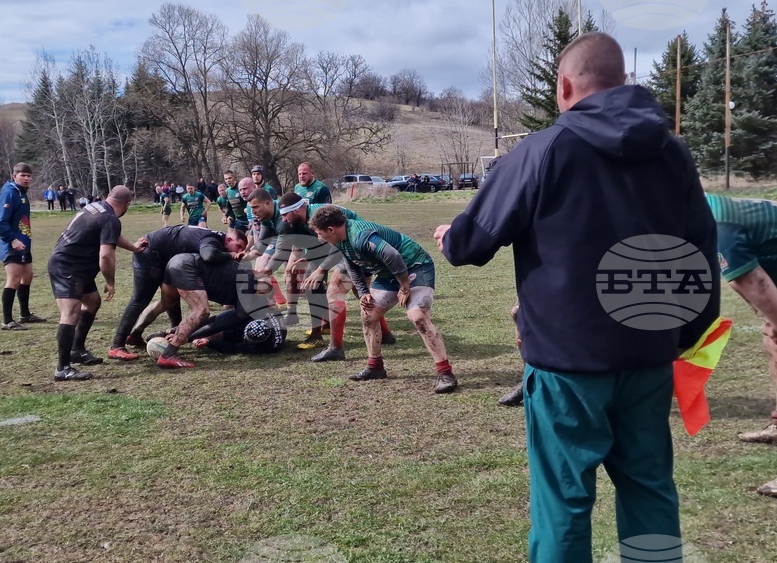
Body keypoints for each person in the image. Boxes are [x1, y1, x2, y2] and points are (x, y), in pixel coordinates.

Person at [434, 33, 719, 561]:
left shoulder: (543, 149)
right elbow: (701, 250)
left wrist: (450, 234)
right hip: (649, 356)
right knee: (650, 488)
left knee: (563, 502)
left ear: (564, 85)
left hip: (568, 365)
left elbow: (469, 246)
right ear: (624, 82)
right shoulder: (673, 154)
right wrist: (683, 338)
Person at [311, 206, 456, 394]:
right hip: (389, 274)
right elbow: (351, 264)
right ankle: (375, 367)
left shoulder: (360, 236)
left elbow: (392, 255)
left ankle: (446, 374)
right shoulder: (340, 239)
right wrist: (363, 291)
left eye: (319, 233)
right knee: (369, 313)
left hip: (415, 266)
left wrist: (404, 287)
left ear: (331, 229)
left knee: (417, 316)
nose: (318, 238)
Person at [705, 194, 777, 497]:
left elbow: (749, 279)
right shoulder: (707, 207)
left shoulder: (717, 222)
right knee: (776, 347)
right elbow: (739, 276)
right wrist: (775, 323)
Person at [248, 190, 395, 358]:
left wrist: (321, 269)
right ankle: (384, 335)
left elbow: (339, 245)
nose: (283, 220)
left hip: (354, 248)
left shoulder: (320, 217)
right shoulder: (295, 222)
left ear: (296, 210)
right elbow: (283, 250)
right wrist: (266, 270)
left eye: (285, 215)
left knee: (336, 292)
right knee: (323, 286)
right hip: (338, 248)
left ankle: (333, 346)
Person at [48, 186, 145, 381]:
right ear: (127, 204)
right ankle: (63, 368)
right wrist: (110, 282)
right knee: (70, 313)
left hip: (76, 266)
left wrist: (133, 248)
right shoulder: (110, 218)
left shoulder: (96, 207)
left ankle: (77, 349)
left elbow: (111, 236)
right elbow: (106, 256)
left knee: (92, 301)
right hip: (68, 267)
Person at [108, 225, 248, 359]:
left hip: (164, 257)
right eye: (239, 246)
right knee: (140, 299)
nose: (239, 251)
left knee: (169, 300)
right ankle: (117, 344)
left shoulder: (214, 238)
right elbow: (209, 256)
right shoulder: (213, 240)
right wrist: (230, 255)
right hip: (150, 252)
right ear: (229, 240)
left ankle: (138, 335)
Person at [136, 253, 273, 368]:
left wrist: (182, 334)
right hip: (188, 267)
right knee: (201, 312)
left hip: (177, 262)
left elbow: (218, 320)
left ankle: (160, 333)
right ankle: (168, 354)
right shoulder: (249, 283)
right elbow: (223, 322)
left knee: (168, 303)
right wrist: (188, 337)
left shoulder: (245, 282)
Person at [0, 162, 48, 331]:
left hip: (24, 242)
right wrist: (11, 240)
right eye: (22, 175)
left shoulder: (21, 193)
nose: (26, 178)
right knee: (14, 279)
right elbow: (1, 221)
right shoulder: (9, 193)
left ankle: (25, 314)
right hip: (12, 244)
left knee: (28, 275)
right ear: (14, 176)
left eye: (28, 175)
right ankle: (7, 321)